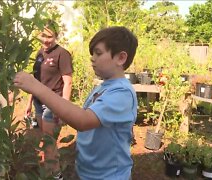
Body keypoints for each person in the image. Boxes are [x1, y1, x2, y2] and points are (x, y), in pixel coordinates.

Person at [15, 26, 138, 180]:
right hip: (87, 172)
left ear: (121, 58)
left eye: (98, 53)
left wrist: (36, 87)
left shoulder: (122, 93)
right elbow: (83, 116)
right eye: (92, 53)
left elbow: (83, 120)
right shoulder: (103, 87)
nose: (92, 58)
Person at [25, 20, 73, 178]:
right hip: (39, 103)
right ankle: (48, 172)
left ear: (56, 36)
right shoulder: (39, 54)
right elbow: (35, 80)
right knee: (45, 141)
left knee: (49, 142)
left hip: (53, 103)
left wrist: (63, 108)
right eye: (43, 35)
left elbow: (68, 82)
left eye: (49, 36)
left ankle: (56, 175)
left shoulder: (62, 54)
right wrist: (29, 102)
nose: (45, 39)